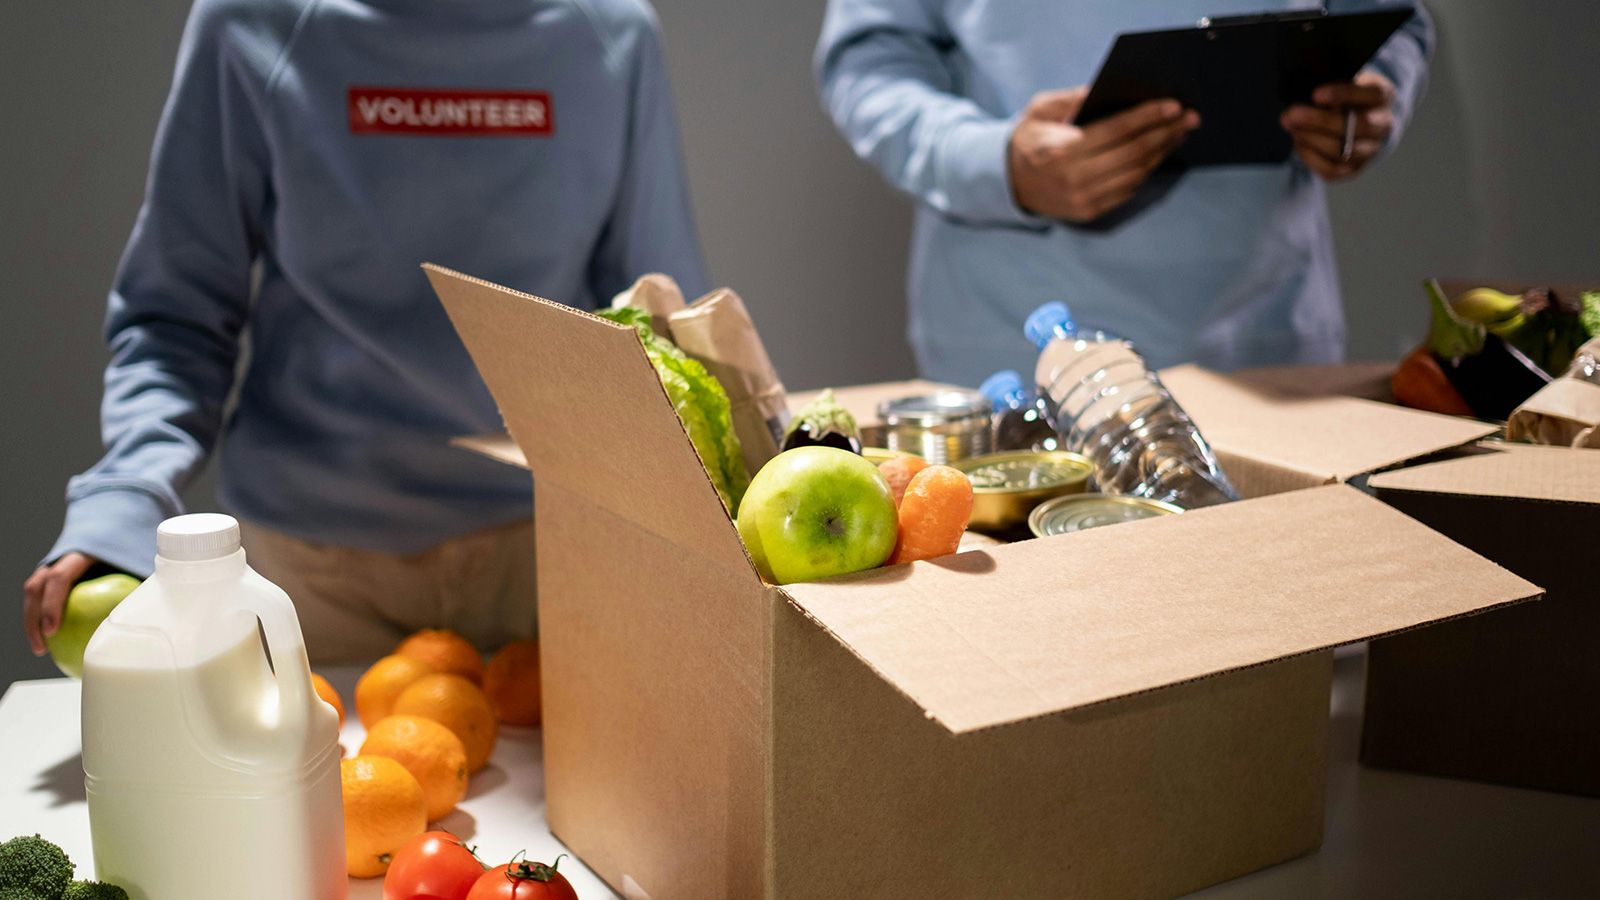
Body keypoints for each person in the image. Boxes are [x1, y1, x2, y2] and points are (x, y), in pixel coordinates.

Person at [22, 0, 707, 663]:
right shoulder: (248, 20)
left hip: (545, 556)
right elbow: (178, 312)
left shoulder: (611, 32)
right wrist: (124, 500)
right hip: (311, 575)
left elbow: (658, 324)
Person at [815, 1, 1433, 386]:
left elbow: (1395, 19)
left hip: (1267, 333)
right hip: (1019, 344)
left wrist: (1378, 98)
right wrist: (998, 162)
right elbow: (869, 62)